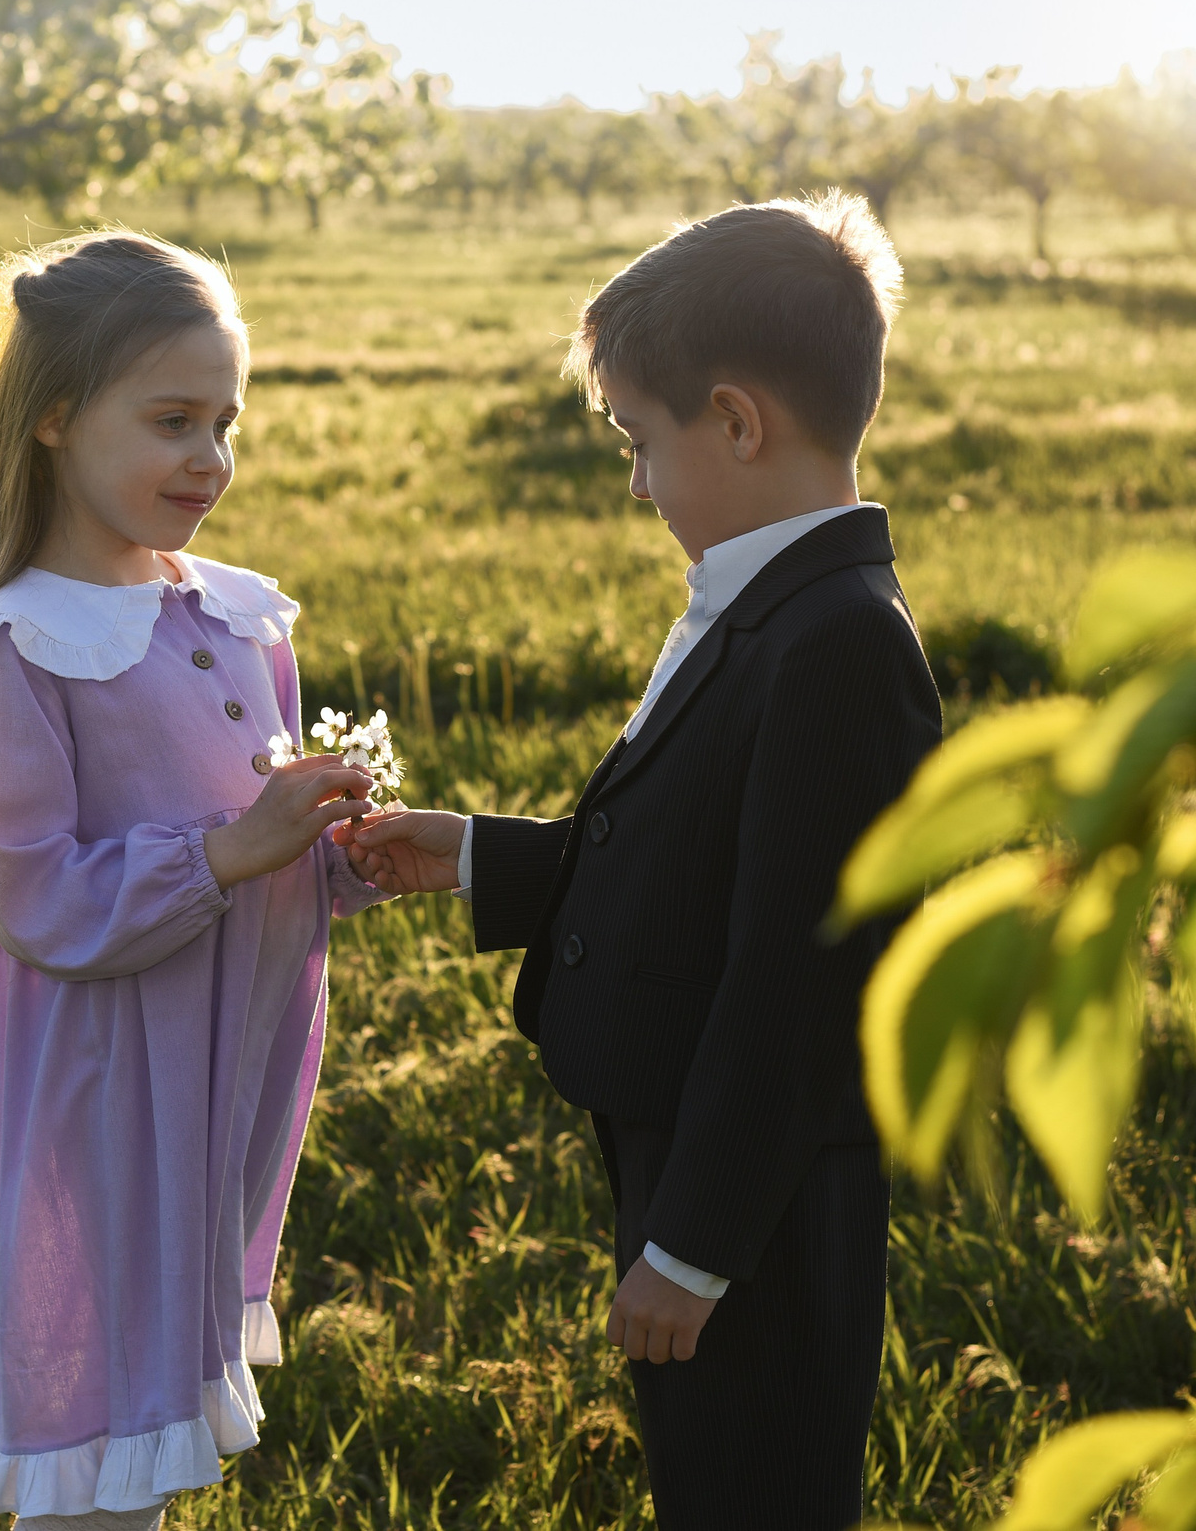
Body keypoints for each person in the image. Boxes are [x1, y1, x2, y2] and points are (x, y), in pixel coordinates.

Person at [347, 194, 943, 1530]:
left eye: (640, 442)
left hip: (763, 1210)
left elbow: (802, 975)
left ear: (735, 421)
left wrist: (693, 1246)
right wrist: (480, 858)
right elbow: (692, 867)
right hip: (706, 1162)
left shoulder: (838, 641)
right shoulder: (768, 600)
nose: (635, 482)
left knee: (757, 1491)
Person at [0, 231, 388, 1529]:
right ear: (52, 417)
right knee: (101, 1441)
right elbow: (45, 897)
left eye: (226, 420)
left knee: (155, 1412)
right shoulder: (19, 648)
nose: (210, 457)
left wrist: (335, 846)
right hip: (106, 1095)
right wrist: (231, 850)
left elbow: (255, 830)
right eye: (170, 421)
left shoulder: (237, 617)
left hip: (213, 1083)